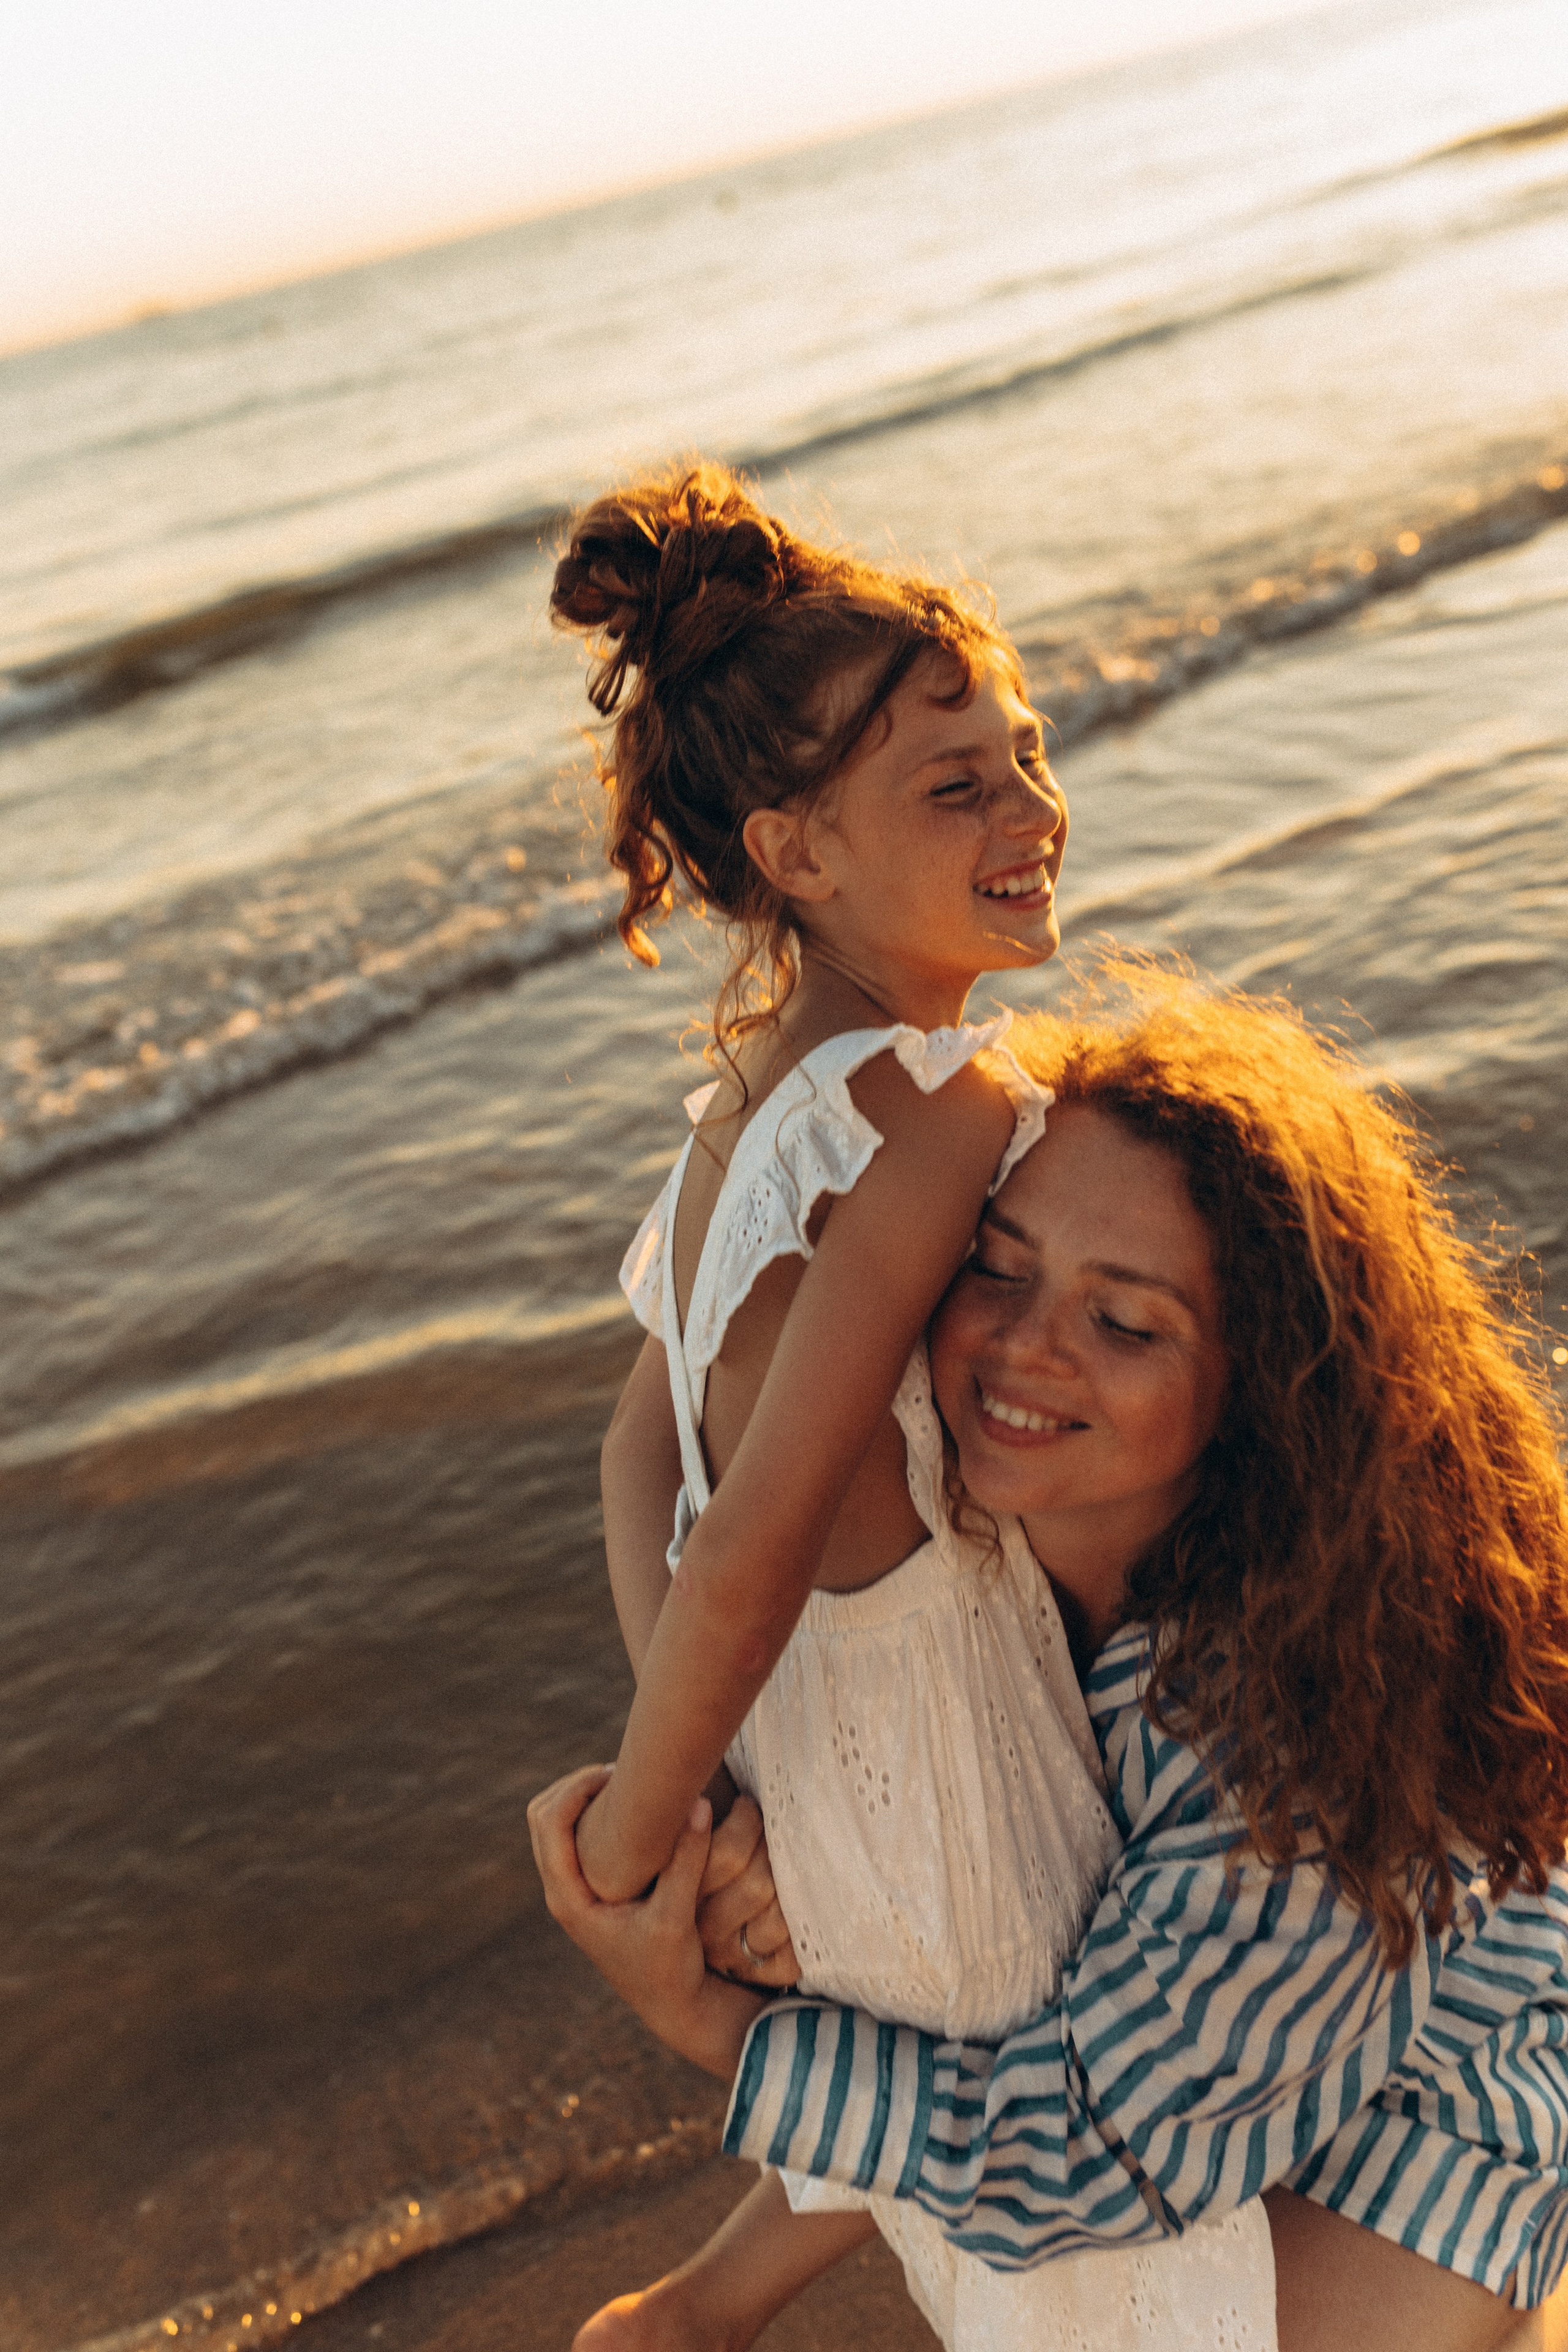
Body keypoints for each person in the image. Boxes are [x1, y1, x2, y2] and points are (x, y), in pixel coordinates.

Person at [531, 967, 1568, 2352]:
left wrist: (710, 2019)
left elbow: (1083, 2157)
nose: (1024, 1351)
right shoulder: (975, 1497)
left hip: (1429, 2147)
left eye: (1124, 1323)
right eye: (995, 1267)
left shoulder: (1289, 1737)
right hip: (1199, 2056)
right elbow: (657, 1436)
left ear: (1263, 1377)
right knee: (971, 1875)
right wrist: (722, 1833)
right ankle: (699, 2312)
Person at [546, 469, 1280, 2345]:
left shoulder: (742, 1128)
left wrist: (715, 1784)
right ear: (794, 852)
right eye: (958, 789)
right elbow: (770, 1525)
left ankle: (688, 2318)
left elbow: (648, 1458)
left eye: (1029, 753)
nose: (1034, 811)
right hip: (959, 1799)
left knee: (973, 2209)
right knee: (1093, 2269)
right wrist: (640, 1857)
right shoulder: (940, 1116)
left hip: (828, 1778)